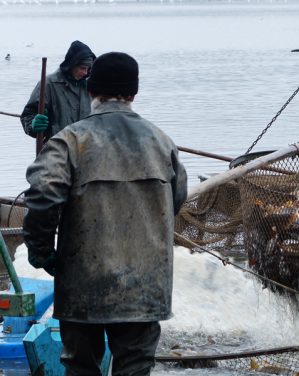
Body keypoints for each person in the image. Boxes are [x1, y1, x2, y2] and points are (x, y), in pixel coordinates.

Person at [22, 51, 188, 375]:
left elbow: (42, 196)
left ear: (91, 91)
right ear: (133, 94)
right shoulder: (162, 142)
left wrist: (43, 255)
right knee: (136, 367)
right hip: (145, 286)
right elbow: (177, 200)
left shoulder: (69, 141)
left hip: (84, 284)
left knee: (81, 366)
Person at [20, 40, 96, 143]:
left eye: (88, 68)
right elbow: (28, 114)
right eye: (82, 68)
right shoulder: (48, 84)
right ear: (72, 64)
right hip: (55, 151)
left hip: (85, 151)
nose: (85, 72)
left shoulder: (91, 86)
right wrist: (33, 125)